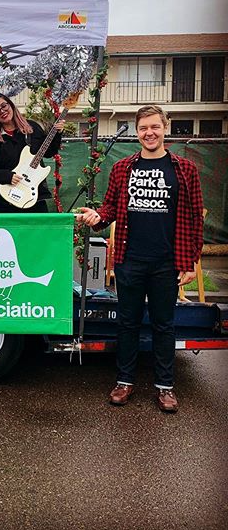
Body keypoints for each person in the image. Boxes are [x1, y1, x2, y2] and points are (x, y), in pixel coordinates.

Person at [78, 105, 203, 413]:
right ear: (137, 132)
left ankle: (165, 387)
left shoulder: (184, 169)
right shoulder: (123, 168)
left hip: (166, 263)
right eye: (144, 128)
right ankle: (124, 381)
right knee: (127, 323)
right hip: (129, 260)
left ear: (165, 128)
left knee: (164, 325)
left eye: (155, 127)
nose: (149, 133)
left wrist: (189, 262)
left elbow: (194, 219)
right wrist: (97, 217)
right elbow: (109, 209)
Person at [0, 92, 64, 213]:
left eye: (4, 106)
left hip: (35, 196)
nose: (2, 111)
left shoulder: (32, 128)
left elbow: (48, 152)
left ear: (11, 105)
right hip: (7, 200)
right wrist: (7, 176)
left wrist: (57, 134)